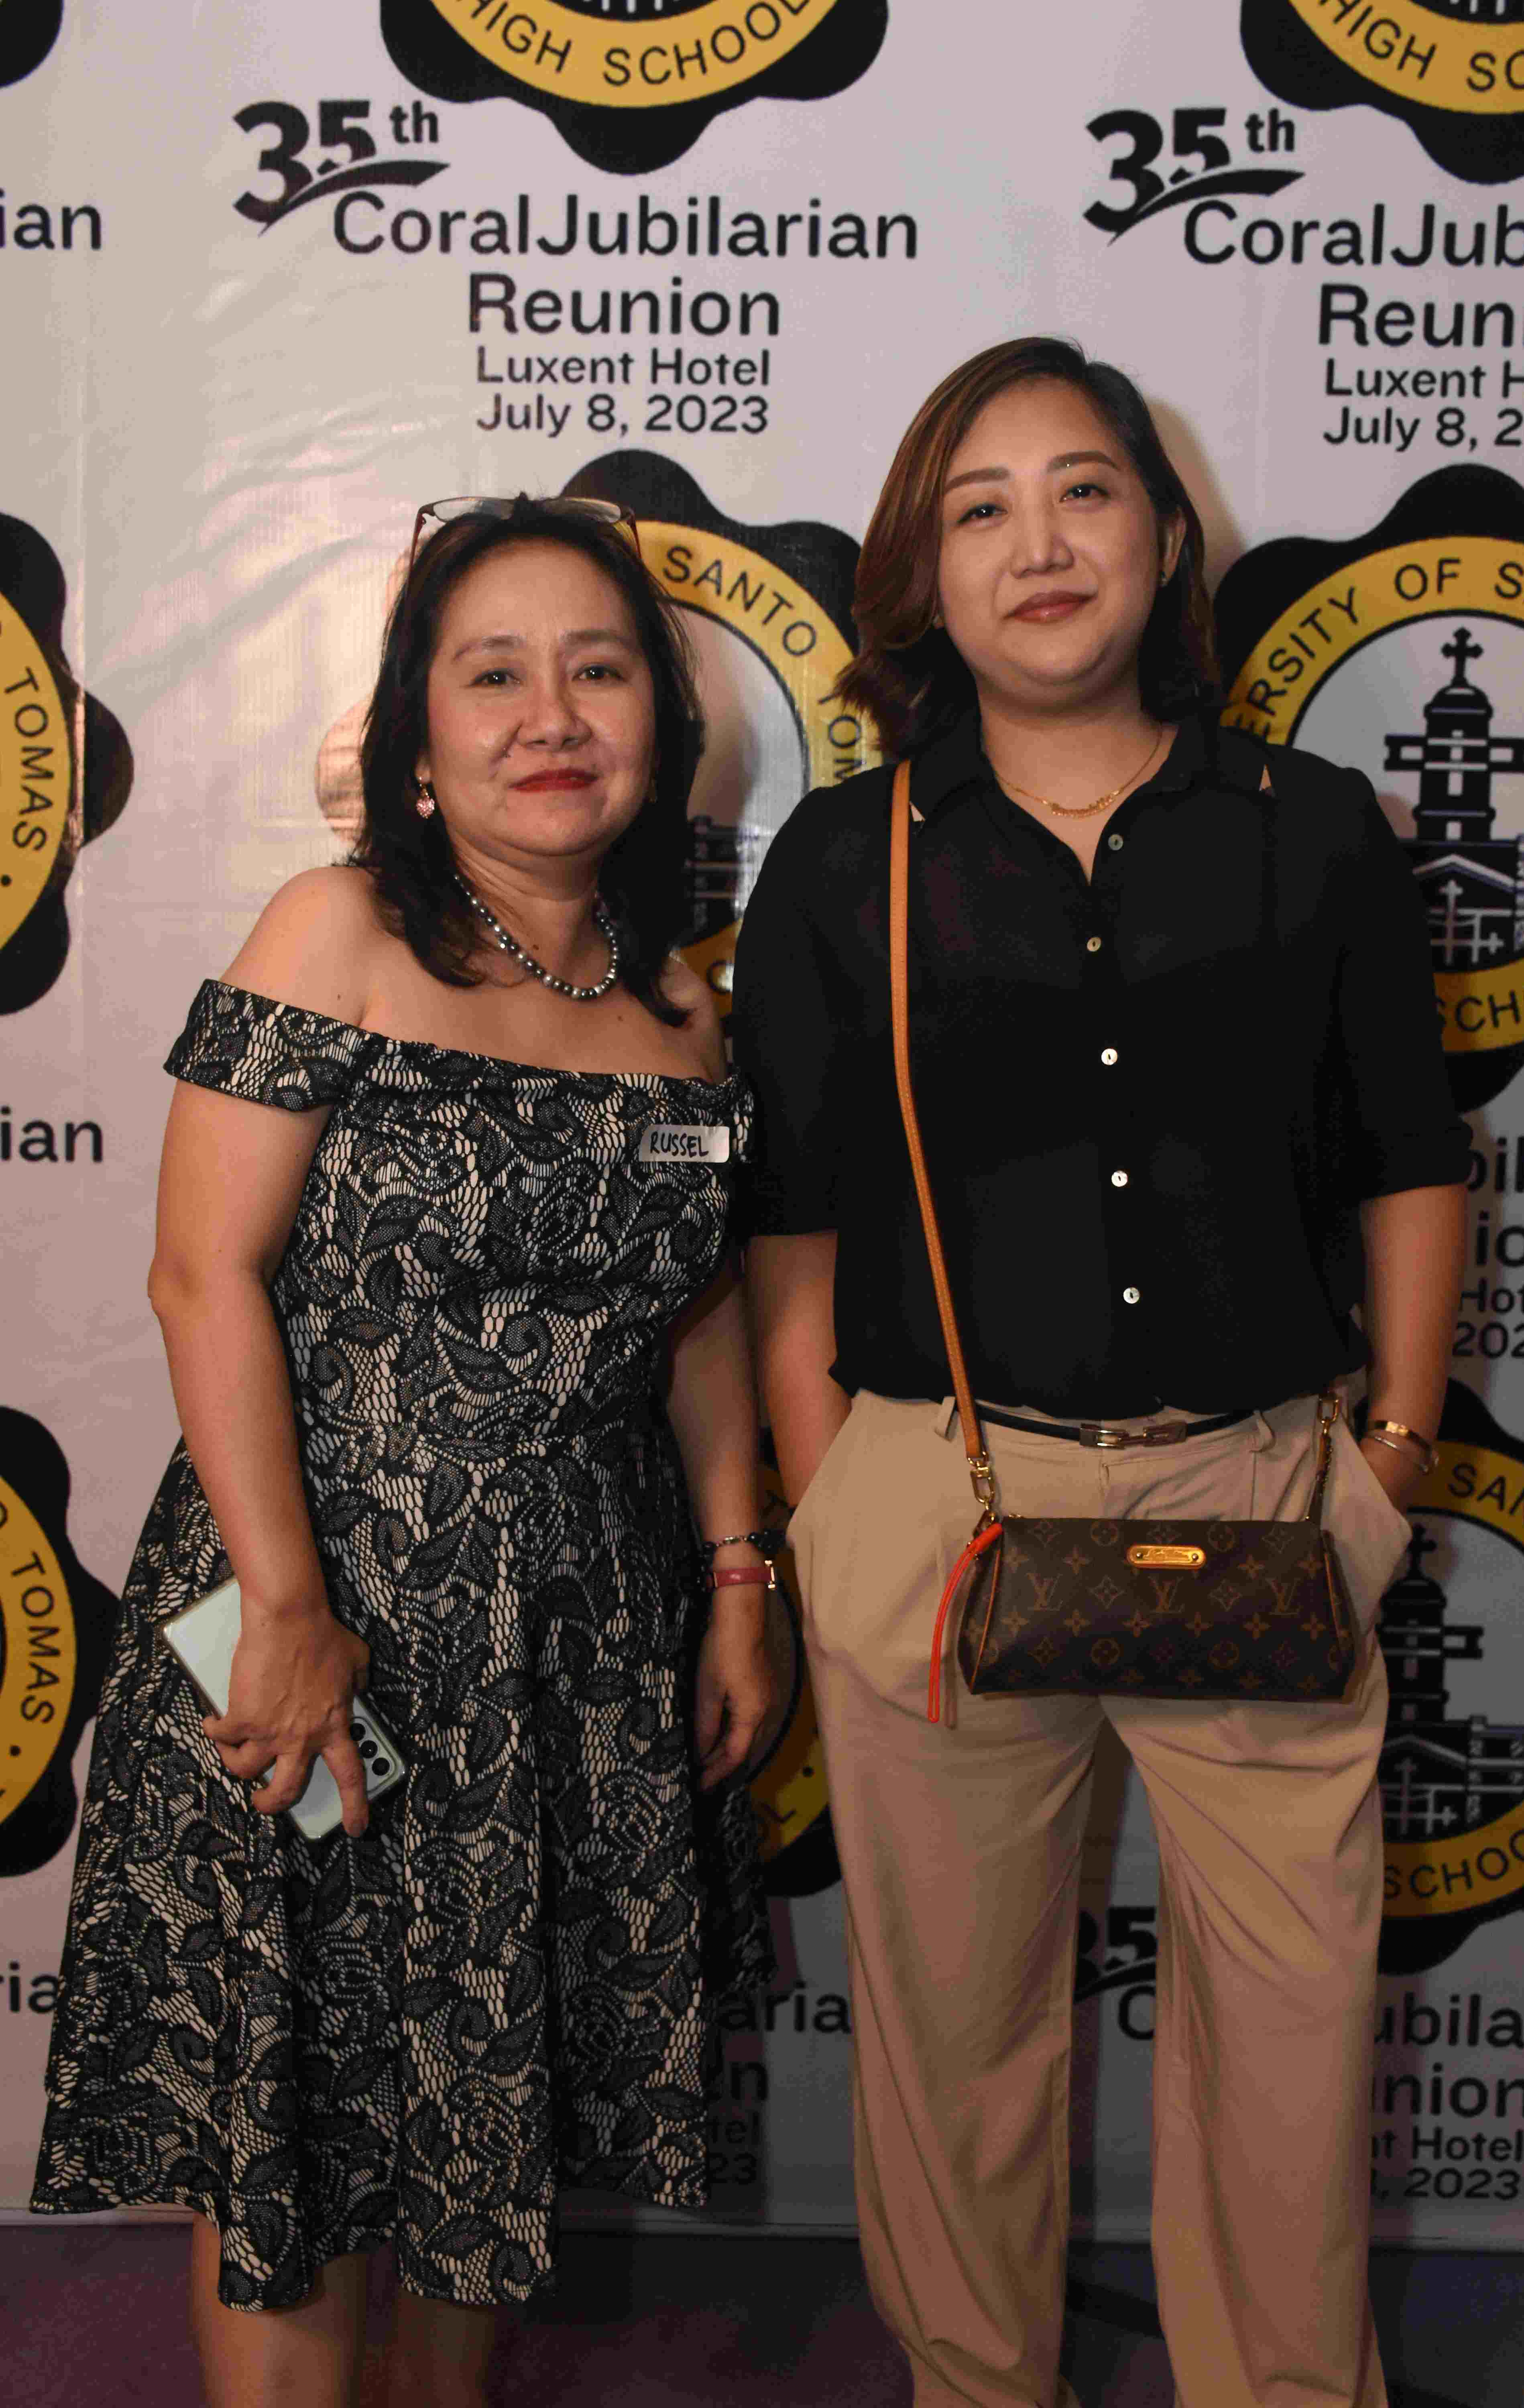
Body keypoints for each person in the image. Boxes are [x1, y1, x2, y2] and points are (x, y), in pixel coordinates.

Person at [736, 337, 1467, 2408]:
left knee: (1293, 2032)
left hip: (1261, 1491)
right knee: (951, 2039)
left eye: (1082, 490)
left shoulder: (1310, 830)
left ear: (1160, 535)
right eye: (979, 507)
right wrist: (830, 1494)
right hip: (937, 1505)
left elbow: (1411, 1158)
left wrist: (1390, 1459)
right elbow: (791, 1216)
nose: (1038, 543)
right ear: (920, 574)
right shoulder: (846, 858)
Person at [33, 495, 777, 2408]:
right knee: (294, 2113)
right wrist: (286, 1613)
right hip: (312, 1616)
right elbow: (202, 1272)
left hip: (575, 1641)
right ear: (416, 736)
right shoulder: (336, 930)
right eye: (494, 674)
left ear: (662, 723)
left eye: (598, 671)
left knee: (479, 2103)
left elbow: (696, 1318)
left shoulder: (687, 1009)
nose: (553, 717)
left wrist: (734, 1573)